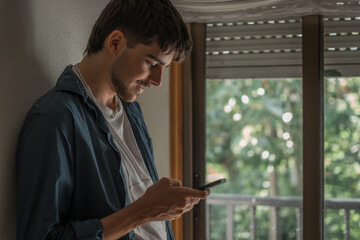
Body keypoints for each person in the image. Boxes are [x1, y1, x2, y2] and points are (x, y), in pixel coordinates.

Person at [16, 0, 209, 239]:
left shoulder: (131, 111)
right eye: (151, 64)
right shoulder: (54, 120)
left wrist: (160, 204)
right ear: (115, 42)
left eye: (164, 68)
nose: (157, 81)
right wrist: (145, 210)